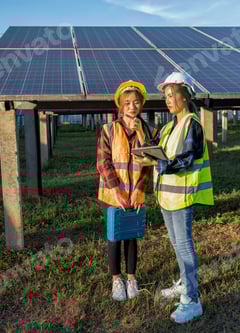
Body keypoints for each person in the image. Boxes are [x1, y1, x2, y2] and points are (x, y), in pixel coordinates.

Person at [153, 72, 214, 323]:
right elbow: (158, 149)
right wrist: (147, 155)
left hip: (182, 195)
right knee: (177, 244)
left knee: (185, 245)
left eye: (172, 95)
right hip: (166, 196)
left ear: (185, 97)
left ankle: (192, 300)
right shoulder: (169, 126)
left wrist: (163, 164)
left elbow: (187, 158)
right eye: (166, 96)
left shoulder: (192, 124)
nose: (168, 100)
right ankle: (184, 284)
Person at [96, 80, 158, 301]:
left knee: (131, 236)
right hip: (113, 195)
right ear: (120, 105)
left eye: (136, 102)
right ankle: (116, 280)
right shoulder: (108, 130)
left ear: (141, 104)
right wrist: (117, 191)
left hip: (136, 194)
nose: (132, 107)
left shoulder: (148, 130)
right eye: (127, 103)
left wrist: (137, 191)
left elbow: (149, 164)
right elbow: (103, 163)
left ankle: (131, 278)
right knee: (114, 237)